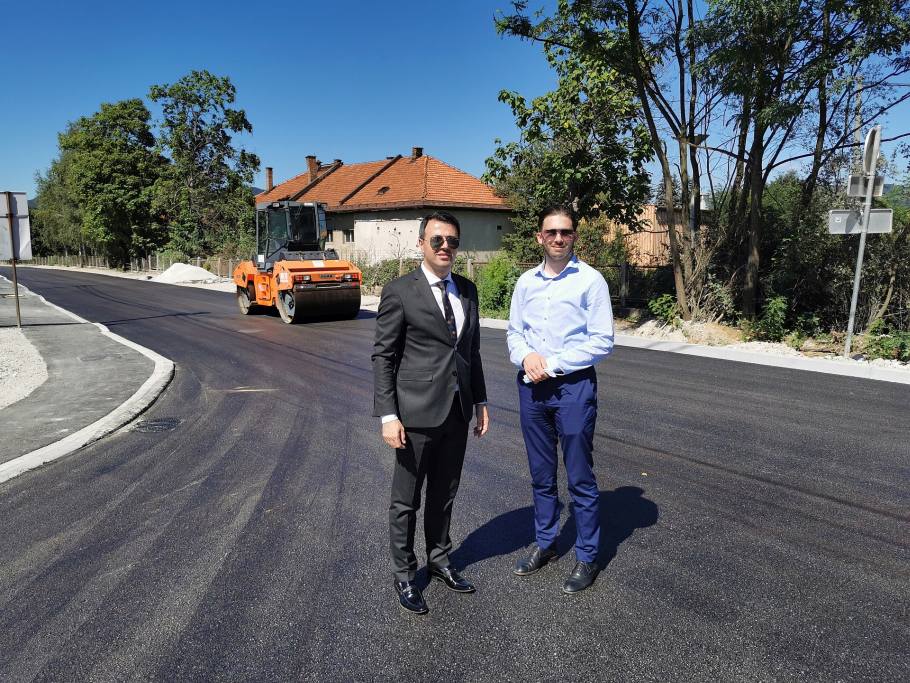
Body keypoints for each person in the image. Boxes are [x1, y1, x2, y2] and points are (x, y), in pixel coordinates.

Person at [372, 211, 490, 615]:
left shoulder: (468, 290)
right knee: (406, 500)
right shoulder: (400, 291)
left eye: (452, 241)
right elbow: (383, 356)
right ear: (421, 243)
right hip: (414, 414)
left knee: (444, 493)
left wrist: (480, 401)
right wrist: (388, 415)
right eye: (437, 240)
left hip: (457, 411)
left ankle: (439, 559)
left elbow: (471, 352)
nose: (445, 247)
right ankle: (405, 574)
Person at [506, 205, 615, 594]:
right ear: (539, 236)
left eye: (565, 232)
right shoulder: (525, 283)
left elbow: (602, 341)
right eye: (551, 232)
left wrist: (550, 364)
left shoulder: (591, 281)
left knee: (580, 476)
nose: (558, 238)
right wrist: (526, 357)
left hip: (573, 388)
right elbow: (514, 333)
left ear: (574, 237)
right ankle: (546, 542)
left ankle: (587, 556)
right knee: (541, 474)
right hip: (532, 389)